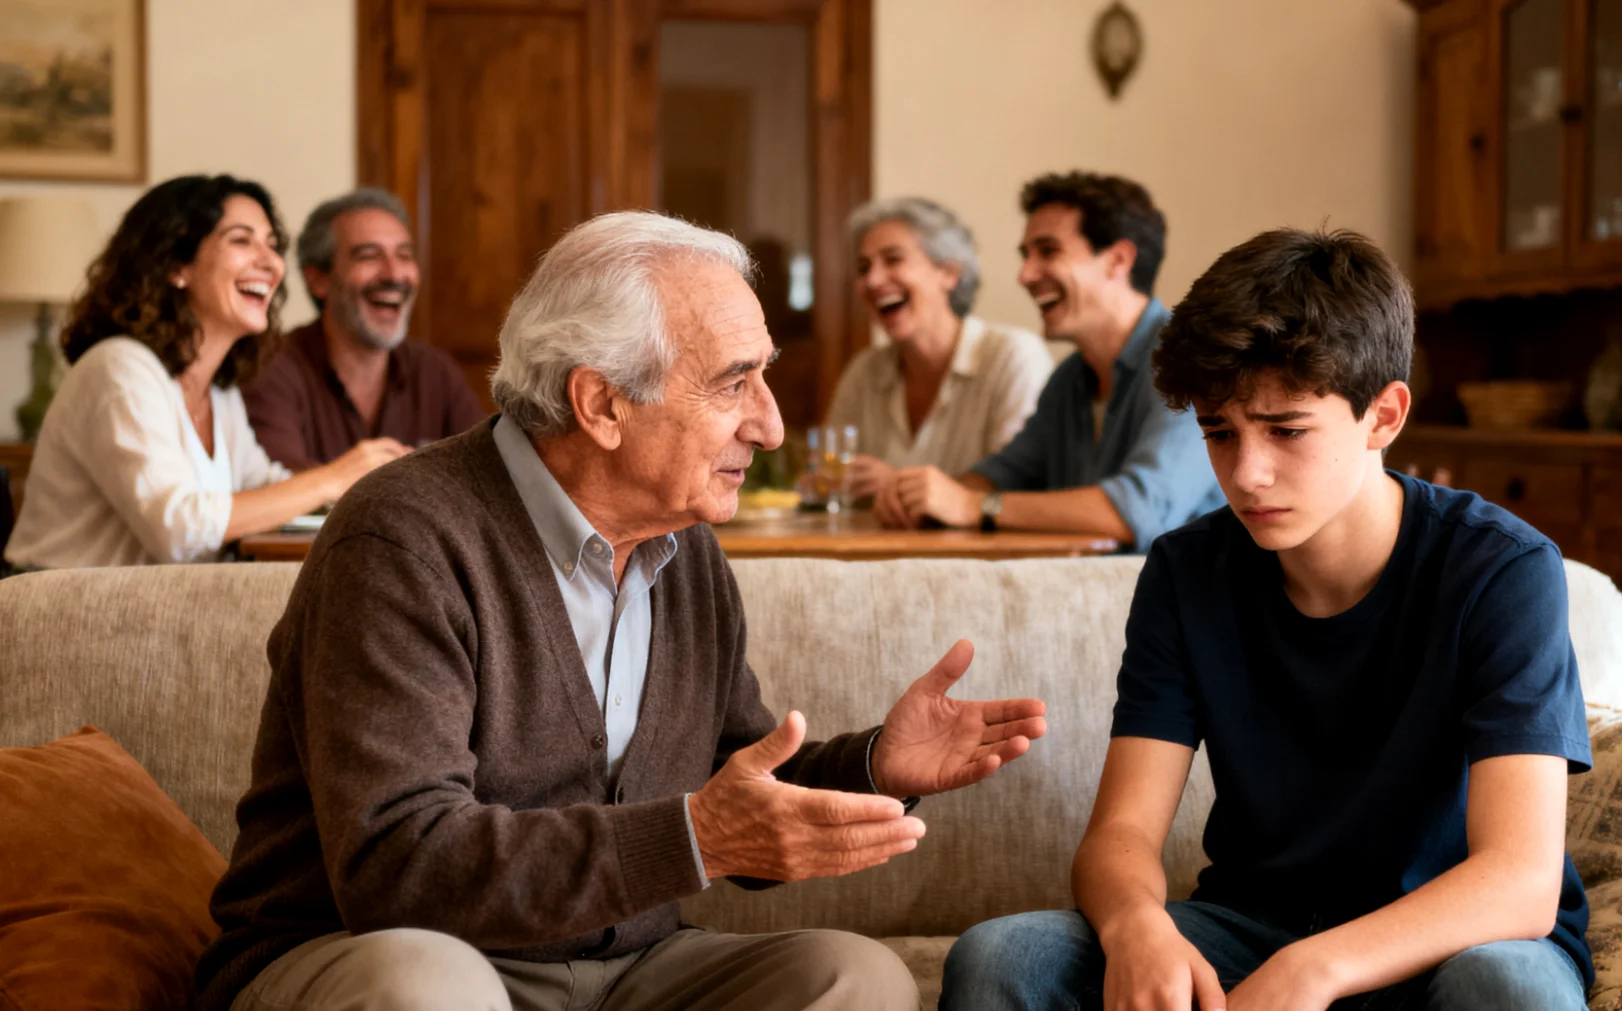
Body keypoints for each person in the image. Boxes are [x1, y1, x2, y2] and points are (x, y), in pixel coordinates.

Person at [194, 211, 1049, 1011]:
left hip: (621, 969)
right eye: (734, 383)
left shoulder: (685, 546)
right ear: (601, 402)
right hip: (377, 948)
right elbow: (398, 866)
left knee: (854, 978)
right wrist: (696, 840)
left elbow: (728, 783)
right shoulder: (404, 537)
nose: (772, 425)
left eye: (765, 378)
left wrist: (872, 766)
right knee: (429, 984)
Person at [938, 228, 1594, 1011]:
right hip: (1254, 922)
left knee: (1509, 989)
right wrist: (1137, 924)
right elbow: (1119, 836)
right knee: (1003, 957)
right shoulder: (1187, 572)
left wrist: (1314, 968)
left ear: (1383, 415)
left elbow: (1520, 880)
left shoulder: (1501, 569)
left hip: (1453, 939)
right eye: (1220, 432)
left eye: (1286, 430)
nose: (1246, 474)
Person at [3, 175, 406, 570]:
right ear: (177, 265)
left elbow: (263, 486)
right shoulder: (118, 369)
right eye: (241, 240)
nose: (272, 263)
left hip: (147, 616)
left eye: (271, 245)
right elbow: (178, 529)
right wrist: (333, 478)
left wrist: (366, 482)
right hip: (61, 618)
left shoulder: (218, 392)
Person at [877, 172, 1221, 551]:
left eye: (1048, 251)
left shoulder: (1190, 358)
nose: (1025, 275)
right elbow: (1005, 473)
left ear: (1118, 260)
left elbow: (1140, 509)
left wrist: (972, 505)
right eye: (1026, 256)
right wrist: (924, 498)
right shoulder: (1070, 377)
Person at [242, 187, 486, 470]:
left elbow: (486, 477)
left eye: (405, 255)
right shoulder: (271, 368)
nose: (394, 274)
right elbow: (281, 489)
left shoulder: (435, 373)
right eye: (369, 256)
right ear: (318, 280)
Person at [828, 197, 1053, 498]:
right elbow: (831, 477)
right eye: (863, 267)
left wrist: (895, 486)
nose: (873, 279)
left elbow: (1018, 486)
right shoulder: (864, 372)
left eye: (893, 260)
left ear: (949, 273)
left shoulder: (1013, 356)